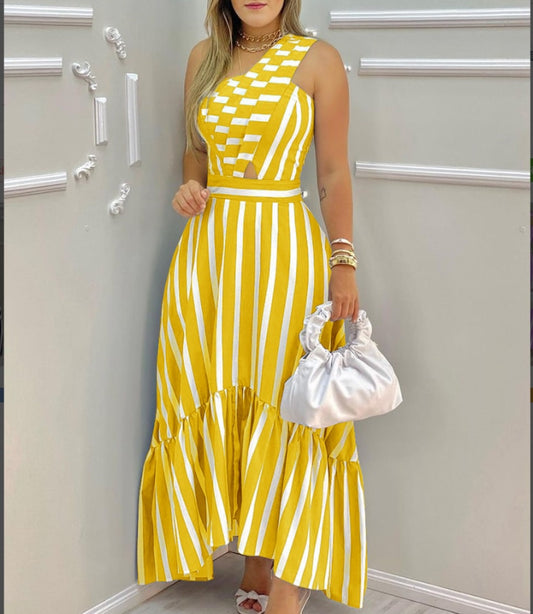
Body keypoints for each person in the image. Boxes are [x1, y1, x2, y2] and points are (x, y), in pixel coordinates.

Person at [136, 1, 368, 613]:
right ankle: (256, 565)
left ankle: (289, 579)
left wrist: (343, 260)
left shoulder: (319, 60)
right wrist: (190, 185)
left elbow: (333, 173)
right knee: (221, 392)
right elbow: (196, 152)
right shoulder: (204, 58)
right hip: (208, 256)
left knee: (286, 404)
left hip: (284, 253)